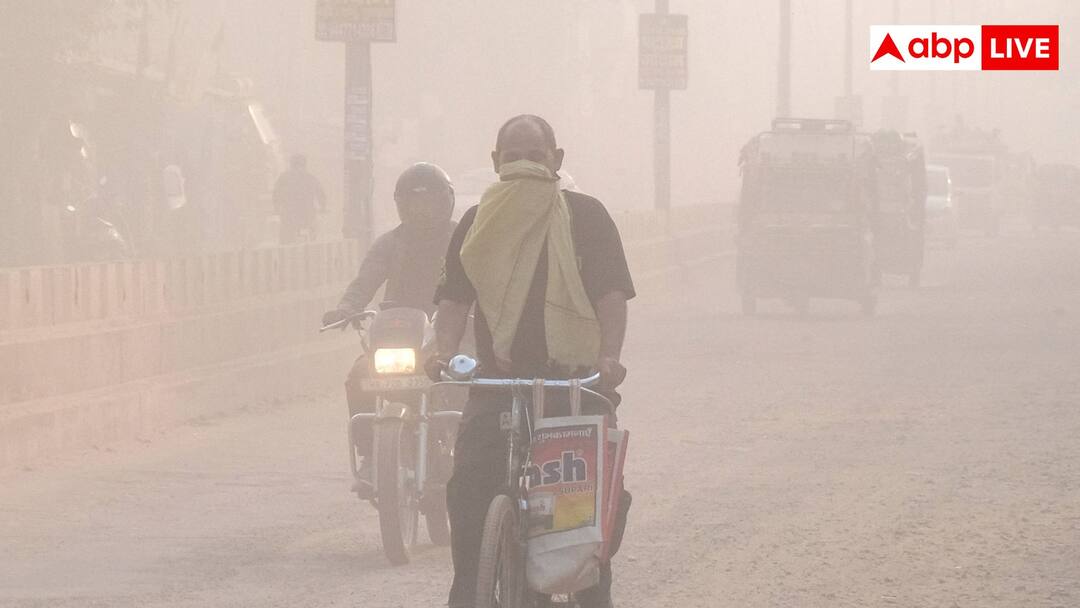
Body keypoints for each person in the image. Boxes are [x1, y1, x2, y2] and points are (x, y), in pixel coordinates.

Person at [429, 115, 634, 608]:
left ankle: (591, 592)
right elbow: (454, 301)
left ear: (556, 161)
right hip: (499, 382)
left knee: (593, 505)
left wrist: (609, 357)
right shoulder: (477, 223)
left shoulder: (586, 216)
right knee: (468, 485)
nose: (523, 165)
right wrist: (443, 351)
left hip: (573, 383)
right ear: (495, 161)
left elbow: (611, 296)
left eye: (535, 156)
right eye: (513, 156)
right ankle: (468, 593)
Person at [322, 162, 458, 493]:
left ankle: (463, 452)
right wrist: (347, 307)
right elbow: (365, 280)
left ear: (444, 203)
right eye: (414, 203)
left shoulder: (462, 239)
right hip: (399, 336)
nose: (422, 211)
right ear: (402, 206)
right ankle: (371, 456)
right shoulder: (390, 243)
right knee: (358, 378)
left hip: (449, 334)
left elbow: (483, 281)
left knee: (468, 380)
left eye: (428, 203)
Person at [273, 154, 327, 244]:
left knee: (285, 237)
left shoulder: (284, 178)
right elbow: (321, 194)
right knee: (312, 233)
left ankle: (285, 248)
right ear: (304, 165)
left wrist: (277, 208)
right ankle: (312, 245)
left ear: (291, 164)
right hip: (307, 215)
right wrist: (323, 207)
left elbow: (276, 194)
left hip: (289, 215)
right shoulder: (310, 178)